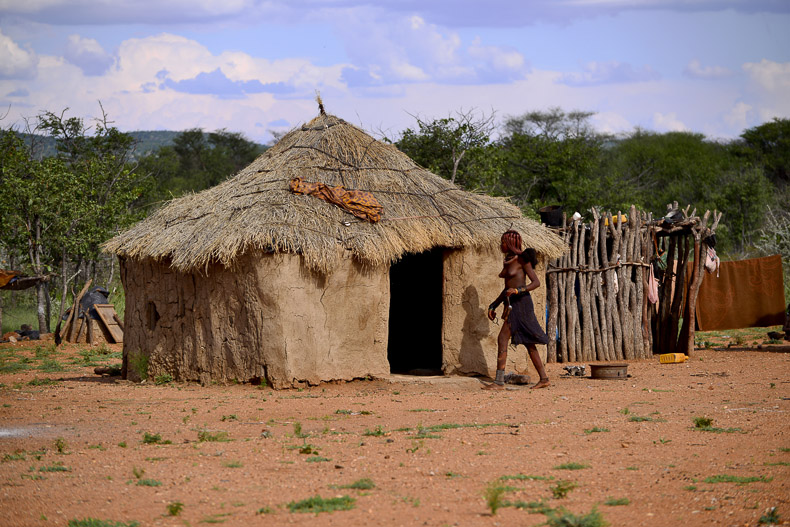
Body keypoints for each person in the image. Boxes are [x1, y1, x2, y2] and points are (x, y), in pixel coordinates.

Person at [486, 230, 550, 389]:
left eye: (503, 242)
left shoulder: (523, 260)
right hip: (511, 304)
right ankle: (544, 379)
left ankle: (499, 382)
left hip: (522, 304)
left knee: (504, 338)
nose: (501, 245)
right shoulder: (507, 260)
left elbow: (536, 282)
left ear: (511, 243)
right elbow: (507, 288)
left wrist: (518, 290)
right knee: (528, 343)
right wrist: (493, 305)